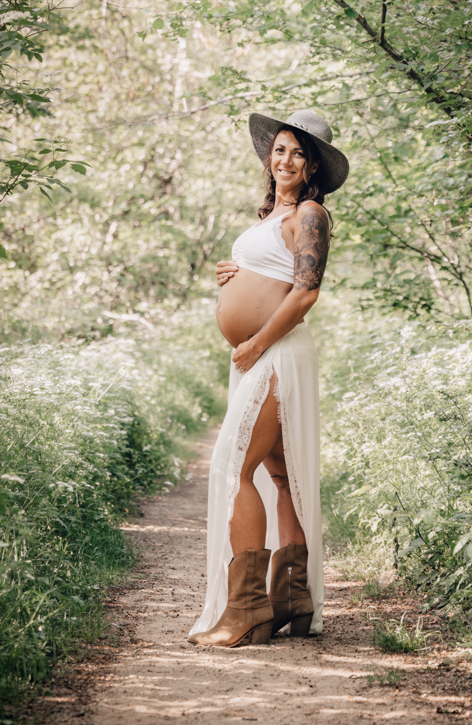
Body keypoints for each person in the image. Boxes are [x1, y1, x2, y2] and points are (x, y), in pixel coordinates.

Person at [188, 109, 349, 648]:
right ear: (268, 157)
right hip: (259, 355)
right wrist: (230, 275)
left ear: (313, 168)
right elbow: (270, 272)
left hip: (275, 354)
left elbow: (304, 291)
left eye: (299, 153)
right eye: (280, 149)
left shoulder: (310, 215)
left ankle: (249, 611)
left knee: (235, 465)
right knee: (282, 476)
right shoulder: (268, 218)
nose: (286, 160)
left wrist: (256, 341)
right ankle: (292, 600)